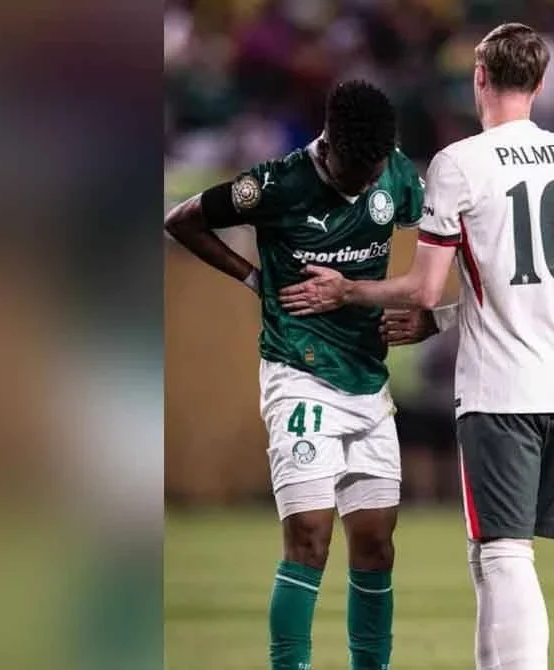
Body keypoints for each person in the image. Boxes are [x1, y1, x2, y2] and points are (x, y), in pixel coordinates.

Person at [276, 23, 554, 670]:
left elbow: (422, 289)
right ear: (539, 83)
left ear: (479, 77)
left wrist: (348, 291)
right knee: (488, 552)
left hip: (497, 389)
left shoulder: (459, 162)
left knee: (504, 555)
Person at [164, 80, 424, 670]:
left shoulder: (395, 175)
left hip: (368, 380)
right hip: (299, 374)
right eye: (357, 168)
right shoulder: (276, 184)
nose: (366, 181)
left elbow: (444, 233)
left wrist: (425, 308)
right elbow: (182, 220)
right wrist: (254, 278)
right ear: (328, 146)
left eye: (375, 168)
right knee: (310, 536)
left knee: (377, 546)